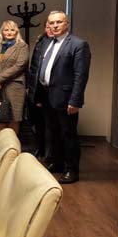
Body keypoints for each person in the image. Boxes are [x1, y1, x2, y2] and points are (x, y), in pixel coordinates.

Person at [27, 11, 91, 184]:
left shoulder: (78, 45)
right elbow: (39, 69)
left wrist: (75, 100)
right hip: (47, 96)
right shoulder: (47, 42)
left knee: (68, 134)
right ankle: (57, 163)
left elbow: (81, 76)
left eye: (59, 22)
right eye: (51, 23)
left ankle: (72, 170)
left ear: (66, 24)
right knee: (52, 132)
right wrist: (37, 95)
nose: (55, 26)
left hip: (66, 98)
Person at [0, 20, 29, 134]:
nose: (9, 32)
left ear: (16, 32)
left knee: (14, 118)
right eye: (6, 30)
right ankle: (1, 144)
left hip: (14, 86)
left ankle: (12, 144)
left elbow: (19, 66)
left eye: (12, 30)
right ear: (2, 32)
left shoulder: (22, 46)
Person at [27, 21, 53, 161]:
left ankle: (50, 154)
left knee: (51, 125)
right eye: (47, 26)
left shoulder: (60, 45)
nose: (50, 29)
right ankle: (40, 148)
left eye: (53, 26)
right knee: (38, 122)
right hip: (37, 90)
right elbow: (34, 68)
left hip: (51, 91)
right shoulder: (40, 42)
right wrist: (30, 89)